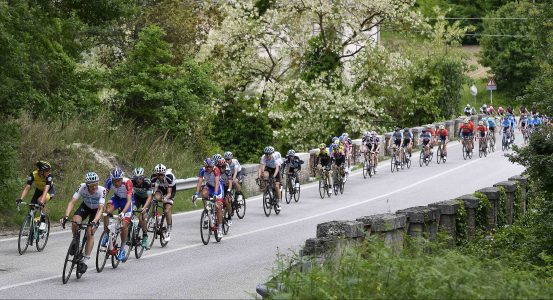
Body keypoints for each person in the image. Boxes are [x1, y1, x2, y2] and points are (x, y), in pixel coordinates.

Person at [61, 172, 106, 274]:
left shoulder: (102, 190)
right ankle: (76, 241)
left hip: (96, 211)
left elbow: (100, 209)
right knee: (75, 221)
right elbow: (72, 202)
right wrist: (66, 216)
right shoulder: (82, 187)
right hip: (85, 207)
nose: (94, 187)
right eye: (92, 185)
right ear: (87, 185)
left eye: (96, 184)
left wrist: (94, 221)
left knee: (90, 232)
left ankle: (85, 261)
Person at [103, 167, 133, 261]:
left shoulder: (127, 182)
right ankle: (107, 234)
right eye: (114, 181)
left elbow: (129, 201)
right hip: (116, 198)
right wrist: (101, 205)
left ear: (121, 179)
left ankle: (123, 249)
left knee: (124, 226)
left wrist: (123, 213)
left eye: (118, 181)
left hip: (127, 201)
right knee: (106, 212)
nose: (116, 183)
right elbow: (103, 196)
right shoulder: (109, 181)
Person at [17, 161, 55, 230]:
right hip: (38, 191)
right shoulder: (33, 174)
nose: (48, 172)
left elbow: (46, 190)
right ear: (41, 171)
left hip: (49, 191)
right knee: (32, 207)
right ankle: (33, 225)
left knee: (40, 201)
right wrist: (21, 199)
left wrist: (42, 202)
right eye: (47, 170)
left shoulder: (49, 176)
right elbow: (27, 187)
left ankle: (43, 221)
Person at [193, 158, 225, 238]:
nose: (208, 168)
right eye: (207, 167)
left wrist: (215, 194)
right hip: (209, 186)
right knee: (203, 193)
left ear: (212, 166)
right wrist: (196, 194)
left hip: (218, 188)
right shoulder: (202, 170)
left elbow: (217, 182)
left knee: (218, 207)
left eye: (210, 167)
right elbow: (199, 182)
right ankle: (207, 211)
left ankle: (220, 228)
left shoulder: (216, 169)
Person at [151, 163, 176, 241]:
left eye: (161, 175)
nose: (160, 176)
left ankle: (169, 229)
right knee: (154, 199)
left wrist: (165, 199)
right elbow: (153, 190)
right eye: (158, 175)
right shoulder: (153, 178)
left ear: (164, 174)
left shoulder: (169, 177)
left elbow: (169, 193)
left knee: (167, 210)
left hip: (170, 191)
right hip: (160, 189)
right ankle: (155, 217)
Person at [130, 167, 152, 248]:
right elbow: (130, 194)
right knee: (130, 212)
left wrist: (144, 208)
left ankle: (145, 236)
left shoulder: (147, 182)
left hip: (146, 199)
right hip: (137, 198)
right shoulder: (131, 181)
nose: (138, 180)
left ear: (143, 177)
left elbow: (150, 197)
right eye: (136, 178)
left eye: (140, 178)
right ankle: (130, 233)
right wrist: (132, 204)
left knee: (141, 217)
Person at [257, 146, 283, 211]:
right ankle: (267, 190)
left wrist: (274, 176)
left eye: (269, 154)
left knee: (276, 186)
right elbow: (261, 168)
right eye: (266, 154)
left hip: (276, 169)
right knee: (265, 176)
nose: (268, 155)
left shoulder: (275, 156)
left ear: (272, 153)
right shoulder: (263, 157)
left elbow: (277, 168)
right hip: (268, 168)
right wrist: (259, 176)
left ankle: (279, 201)